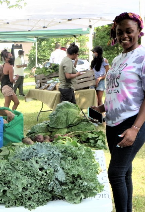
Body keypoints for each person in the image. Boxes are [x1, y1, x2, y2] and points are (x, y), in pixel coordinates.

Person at [91, 12, 145, 212]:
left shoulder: (142, 57)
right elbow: (117, 92)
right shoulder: (118, 58)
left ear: (139, 31)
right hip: (112, 123)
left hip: (131, 123)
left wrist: (135, 128)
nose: (124, 36)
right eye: (120, 32)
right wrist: (101, 108)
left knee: (115, 173)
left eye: (129, 31)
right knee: (124, 174)